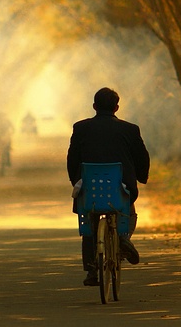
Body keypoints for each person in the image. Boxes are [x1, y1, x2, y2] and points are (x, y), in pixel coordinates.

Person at [66, 87, 150, 287]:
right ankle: (122, 239)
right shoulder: (130, 129)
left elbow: (72, 159)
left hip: (90, 190)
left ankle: (92, 270)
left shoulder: (80, 128)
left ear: (94, 106)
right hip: (120, 190)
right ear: (117, 107)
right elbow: (142, 157)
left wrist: (75, 181)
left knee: (90, 221)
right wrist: (141, 177)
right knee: (128, 211)